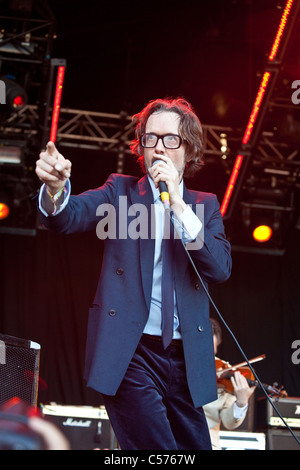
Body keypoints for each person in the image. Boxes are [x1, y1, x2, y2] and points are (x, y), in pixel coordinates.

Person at [35, 97, 232, 450]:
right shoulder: (120, 191)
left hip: (186, 357)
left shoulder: (205, 206)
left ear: (188, 150)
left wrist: (178, 205)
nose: (158, 147)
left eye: (170, 139)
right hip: (132, 351)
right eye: (150, 138)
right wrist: (55, 189)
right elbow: (68, 216)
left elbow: (218, 268)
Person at [203, 318, 256, 450]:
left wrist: (241, 402)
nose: (208, 358)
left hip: (207, 441)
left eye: (212, 352)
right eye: (203, 350)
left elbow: (228, 422)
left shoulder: (225, 371)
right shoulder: (174, 363)